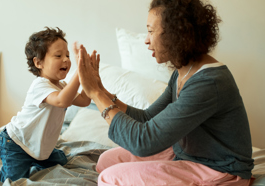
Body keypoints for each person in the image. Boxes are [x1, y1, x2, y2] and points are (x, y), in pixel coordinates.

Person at [76, 0, 255, 185]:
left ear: (177, 33)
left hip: (219, 169)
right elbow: (146, 118)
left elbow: (143, 141)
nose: (146, 39)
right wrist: (102, 91)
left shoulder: (209, 82)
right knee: (107, 161)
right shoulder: (182, 72)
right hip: (187, 155)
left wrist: (95, 94)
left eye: (151, 31)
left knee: (109, 178)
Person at [0, 27, 91, 182]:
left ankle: (36, 160)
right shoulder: (40, 86)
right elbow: (62, 101)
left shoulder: (62, 86)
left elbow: (85, 100)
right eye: (58, 55)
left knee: (62, 160)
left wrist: (89, 77)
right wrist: (79, 72)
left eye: (68, 55)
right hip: (16, 143)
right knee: (14, 181)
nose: (66, 60)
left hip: (39, 149)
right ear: (38, 62)